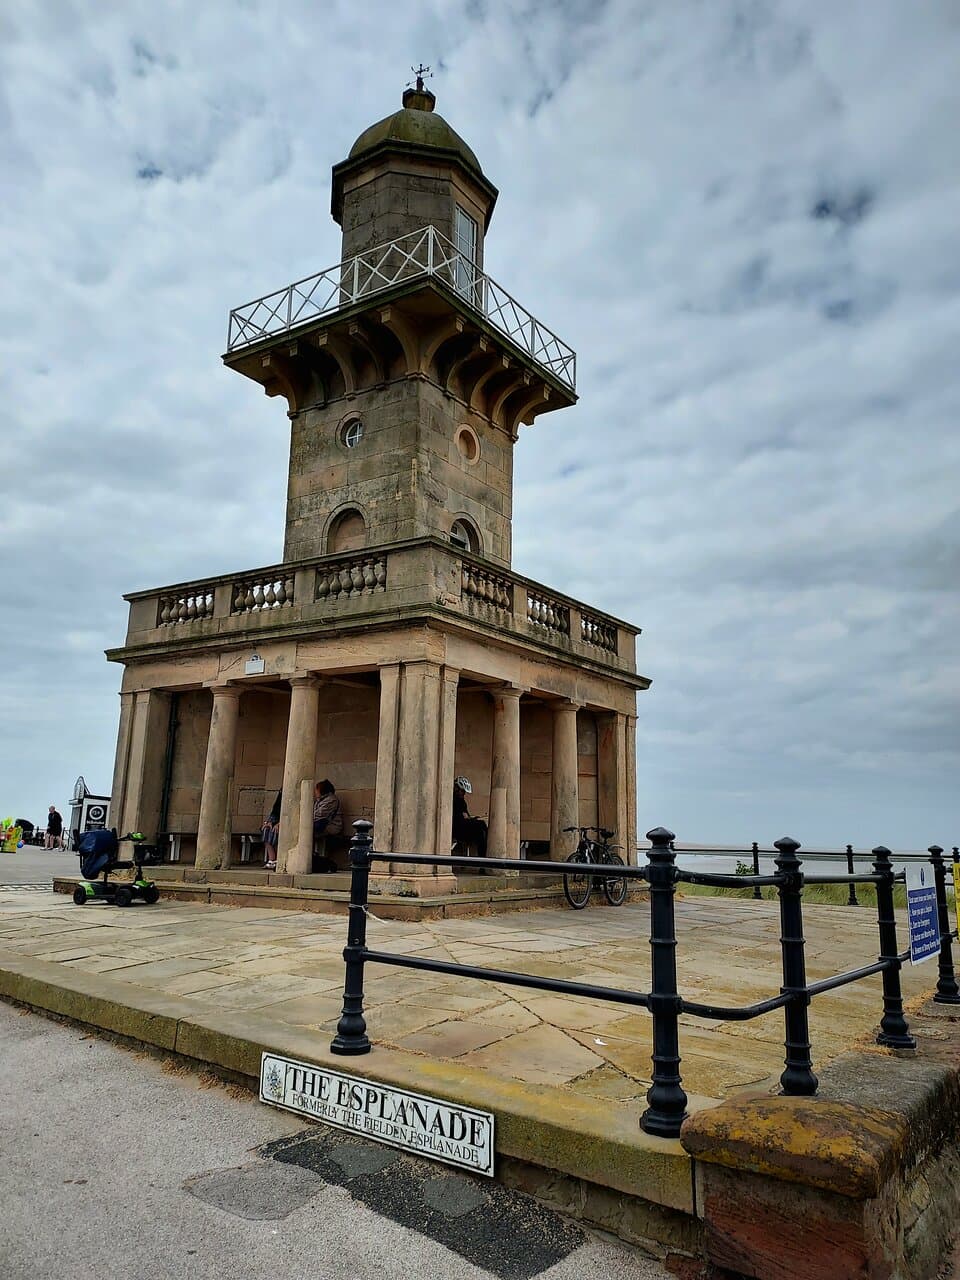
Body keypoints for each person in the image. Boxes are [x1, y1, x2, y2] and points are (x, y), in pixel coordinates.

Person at [452, 777, 487, 859]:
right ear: (457, 788)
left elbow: (465, 816)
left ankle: (483, 858)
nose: (463, 793)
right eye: (462, 791)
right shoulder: (455, 800)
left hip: (462, 827)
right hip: (457, 829)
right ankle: (482, 859)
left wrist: (472, 818)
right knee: (481, 825)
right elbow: (463, 817)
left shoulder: (461, 801)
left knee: (481, 830)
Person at [261, 790, 281, 871]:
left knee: (276, 831)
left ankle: (278, 859)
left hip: (285, 823)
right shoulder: (278, 801)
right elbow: (274, 813)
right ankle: (271, 859)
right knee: (266, 829)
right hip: (275, 821)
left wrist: (280, 823)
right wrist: (269, 822)